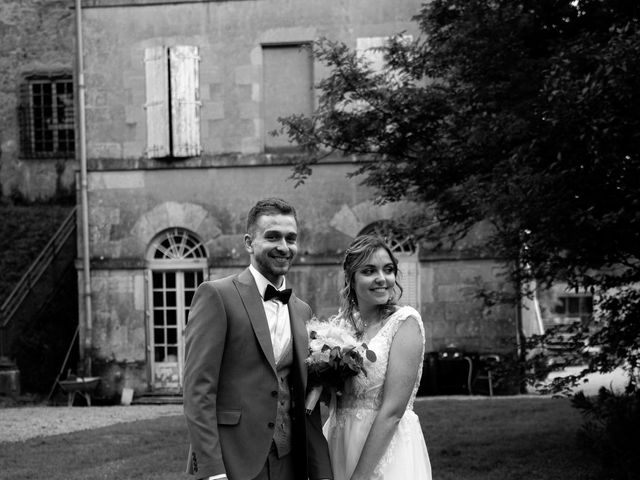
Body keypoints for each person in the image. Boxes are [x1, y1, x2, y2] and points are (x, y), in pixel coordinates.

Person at [183, 198, 333, 480]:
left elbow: (304, 401)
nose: (284, 247)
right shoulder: (217, 296)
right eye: (273, 237)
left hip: (289, 463)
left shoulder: (302, 311)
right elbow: (197, 392)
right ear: (250, 243)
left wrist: (321, 470)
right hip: (233, 461)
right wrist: (213, 472)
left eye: (291, 238)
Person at [323, 234, 432, 480]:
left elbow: (393, 411)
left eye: (388, 269)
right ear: (351, 277)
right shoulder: (341, 326)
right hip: (339, 440)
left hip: (385, 446)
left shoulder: (405, 322)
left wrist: (360, 476)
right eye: (369, 271)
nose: (382, 279)